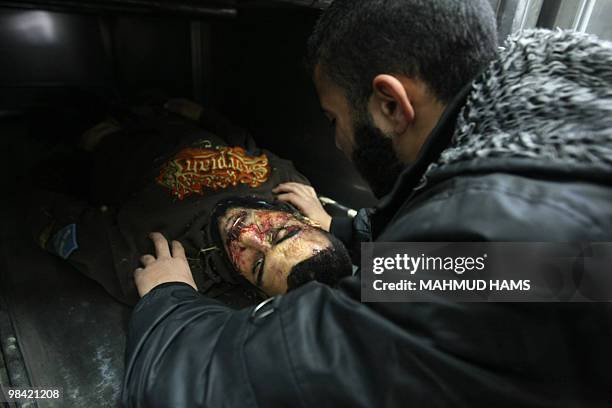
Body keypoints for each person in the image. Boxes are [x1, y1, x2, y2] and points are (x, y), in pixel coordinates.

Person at [123, 1, 612, 406]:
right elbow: (486, 273)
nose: (337, 144)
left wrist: (169, 303)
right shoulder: (556, 165)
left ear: (391, 105)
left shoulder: (507, 248)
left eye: (334, 119)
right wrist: (350, 231)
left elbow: (204, 387)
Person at [31, 98, 352, 306]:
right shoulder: (296, 193)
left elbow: (46, 216)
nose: (246, 235)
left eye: (256, 264)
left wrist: (98, 144)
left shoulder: (161, 262)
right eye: (279, 234)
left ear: (253, 290)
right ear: (307, 222)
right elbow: (245, 145)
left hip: (103, 141)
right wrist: (201, 113)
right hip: (163, 115)